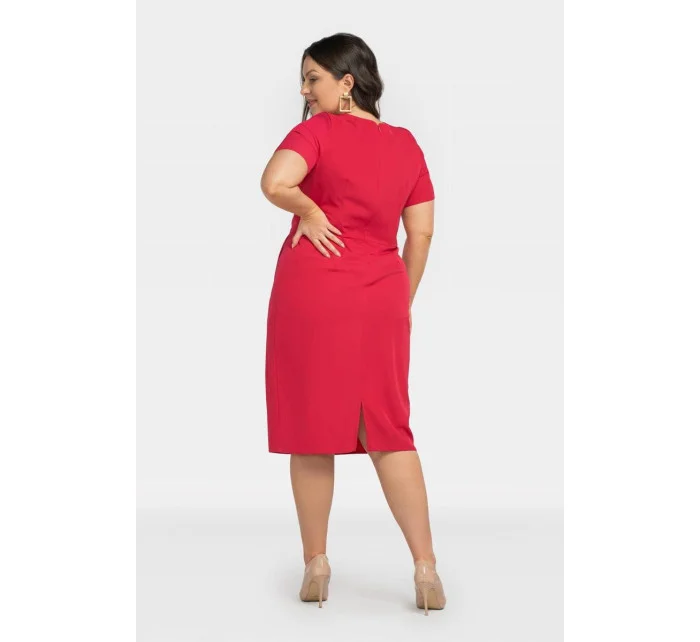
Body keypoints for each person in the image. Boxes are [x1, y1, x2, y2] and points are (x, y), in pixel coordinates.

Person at [260, 33, 446, 615]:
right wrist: (399, 298)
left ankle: (316, 564)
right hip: (382, 290)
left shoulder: (316, 132)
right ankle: (425, 569)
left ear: (347, 82)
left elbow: (274, 182)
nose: (304, 90)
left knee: (310, 428)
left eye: (312, 77)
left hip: (313, 290)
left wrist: (310, 209)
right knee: (390, 427)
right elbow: (421, 233)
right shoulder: (406, 145)